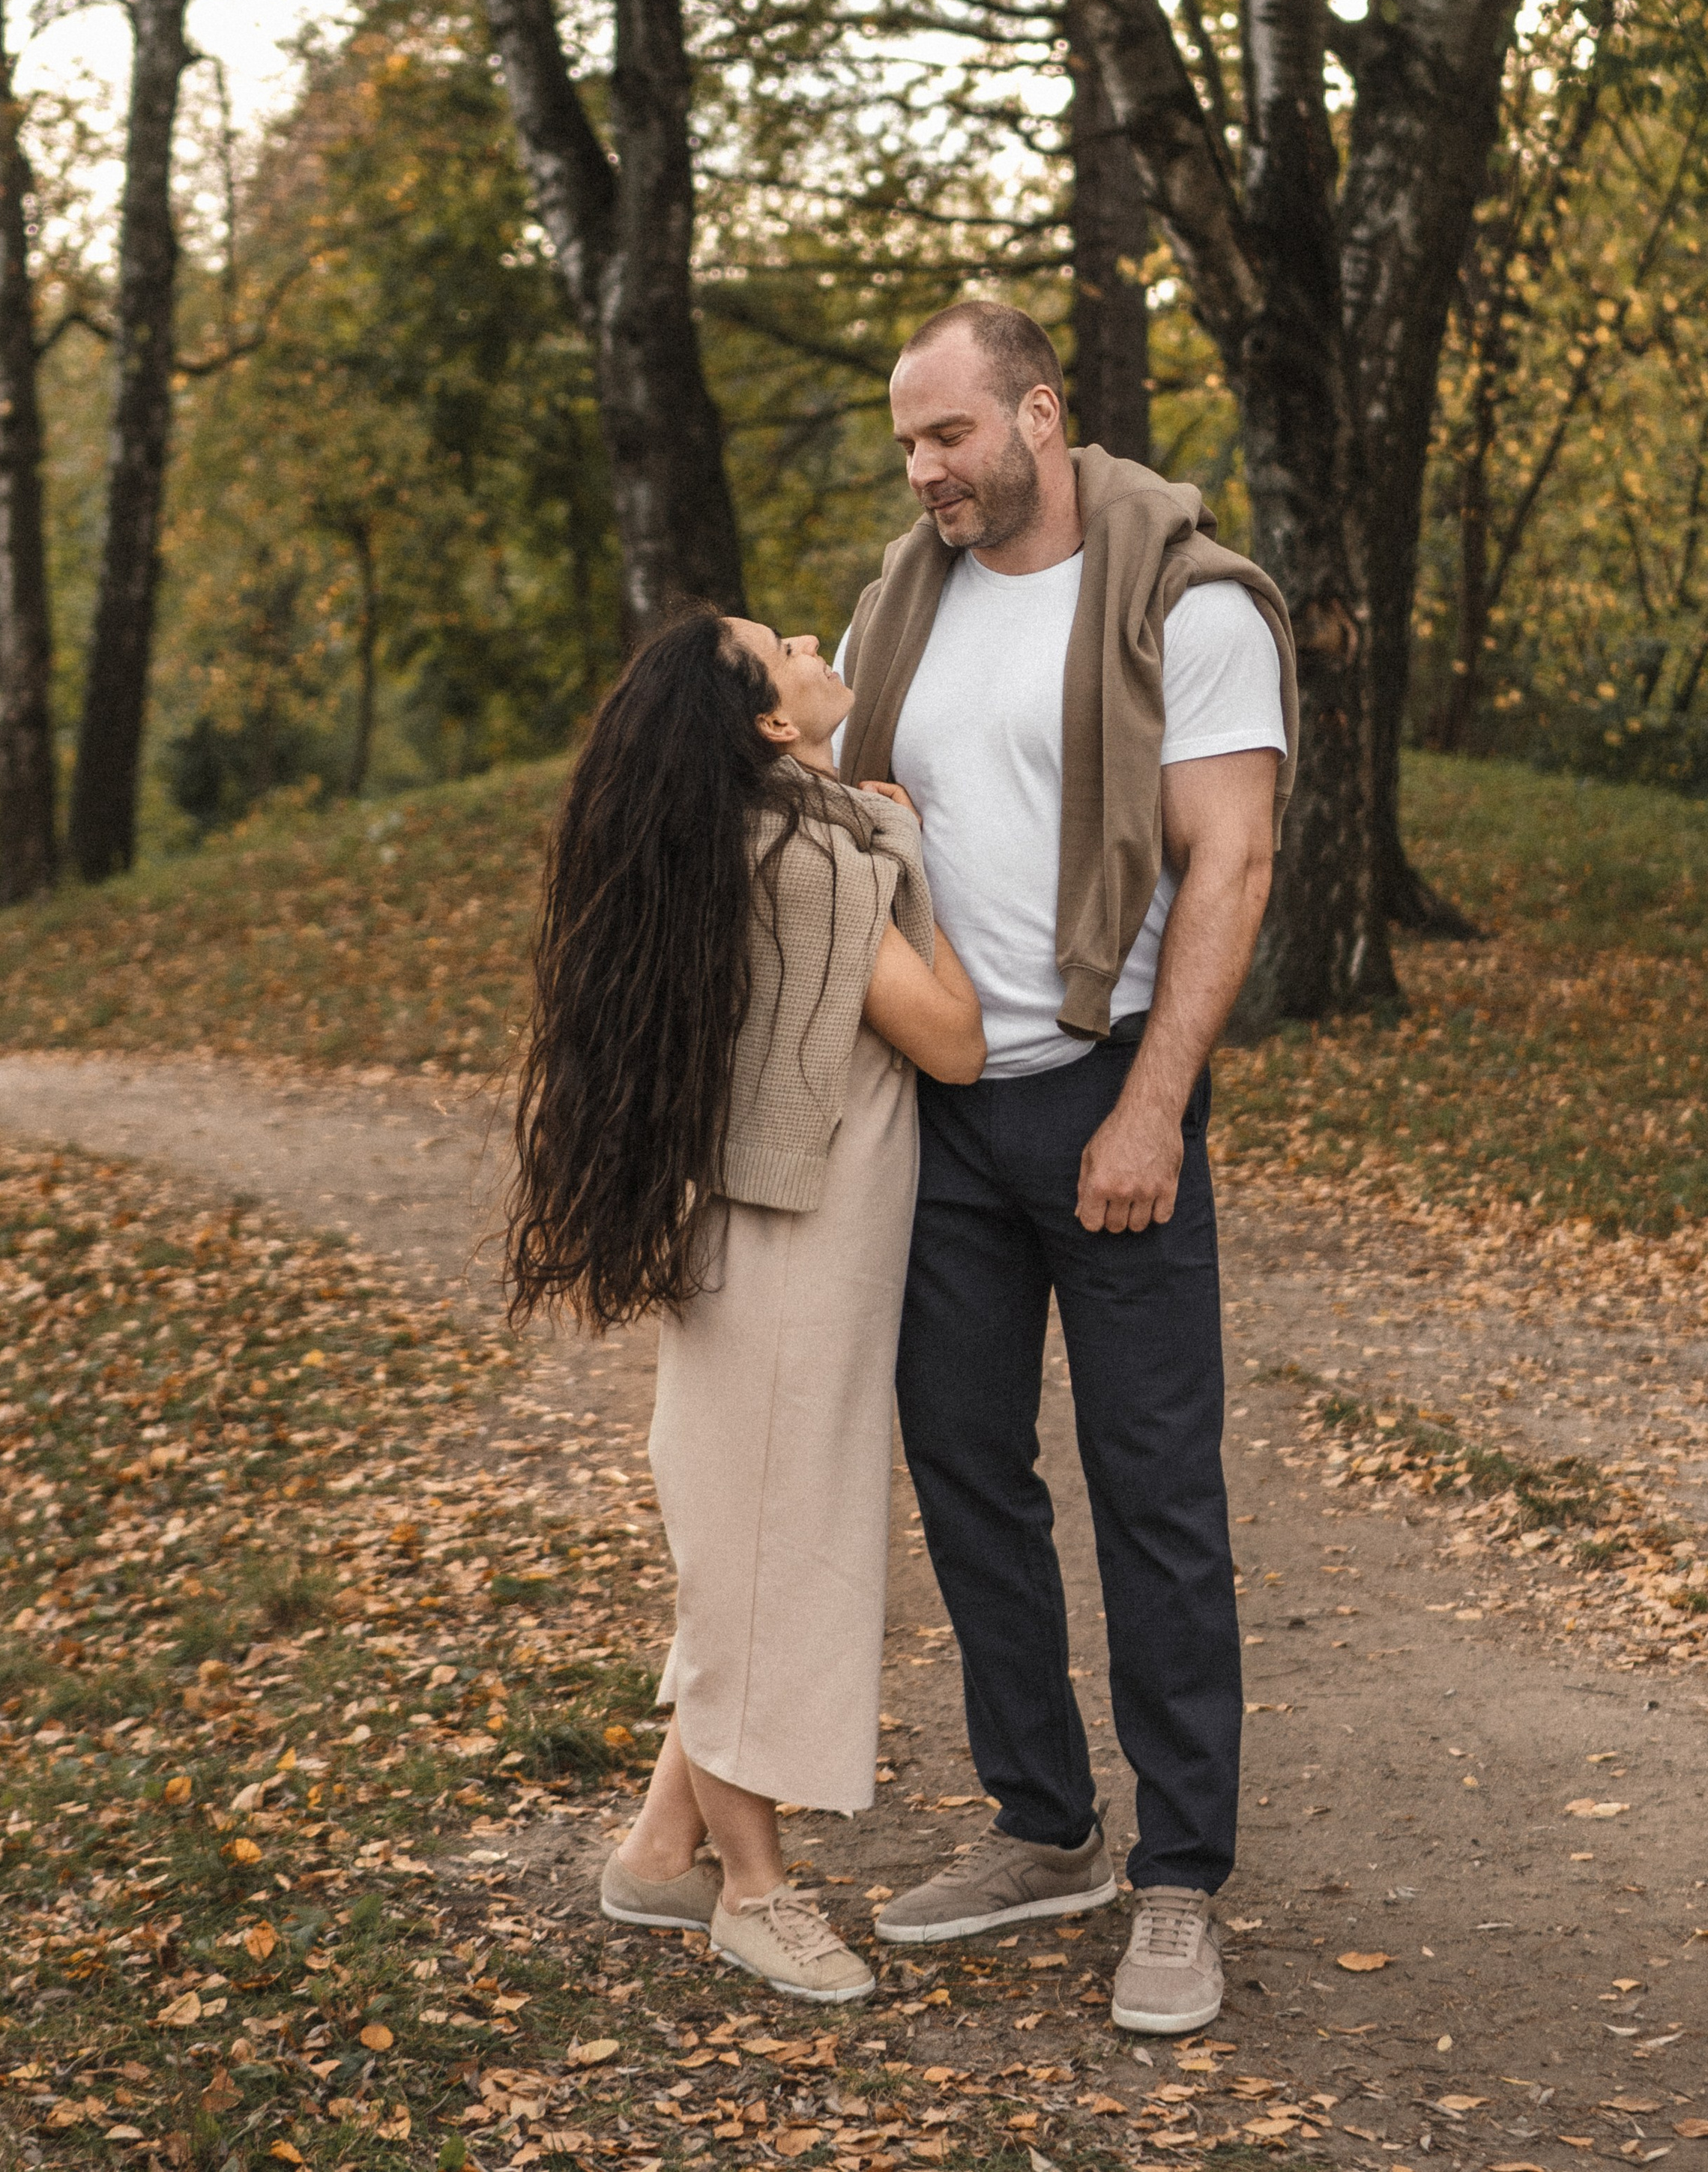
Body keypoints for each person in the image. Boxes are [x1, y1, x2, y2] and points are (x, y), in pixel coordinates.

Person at [835, 301, 1297, 2036]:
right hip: (941, 1105)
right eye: (904, 443)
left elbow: (1230, 864)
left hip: (1109, 1095)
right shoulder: (904, 604)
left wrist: (1151, 1105)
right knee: (964, 1468)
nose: (924, 469)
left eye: (948, 434)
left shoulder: (1189, 601)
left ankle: (1178, 1873)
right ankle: (1046, 1824)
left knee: (1155, 1494)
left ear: (1039, 412)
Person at [504, 609, 984, 2004]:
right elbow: (950, 1043)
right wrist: (907, 855)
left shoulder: (785, 828)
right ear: (773, 722)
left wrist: (869, 827)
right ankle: (756, 1895)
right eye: (778, 643)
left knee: (756, 1543)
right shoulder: (803, 858)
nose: (805, 634)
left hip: (784, 1239)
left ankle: (664, 1853)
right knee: (759, 1563)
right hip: (793, 1249)